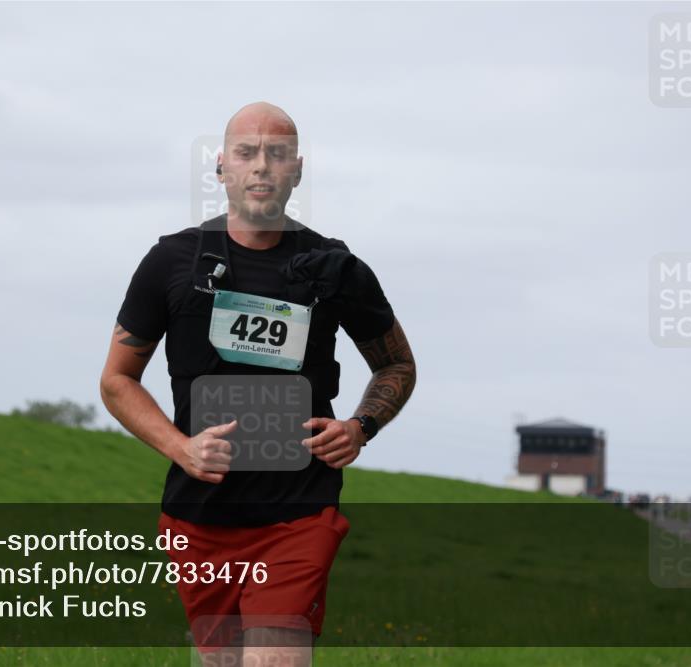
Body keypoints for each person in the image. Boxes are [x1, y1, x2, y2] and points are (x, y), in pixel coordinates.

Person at [100, 101, 416, 667]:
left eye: (277, 154)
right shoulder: (172, 261)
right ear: (221, 167)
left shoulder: (336, 267)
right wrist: (181, 447)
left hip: (297, 513)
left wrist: (360, 427)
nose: (261, 167)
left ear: (297, 169)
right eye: (246, 153)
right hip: (199, 516)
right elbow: (117, 381)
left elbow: (397, 366)